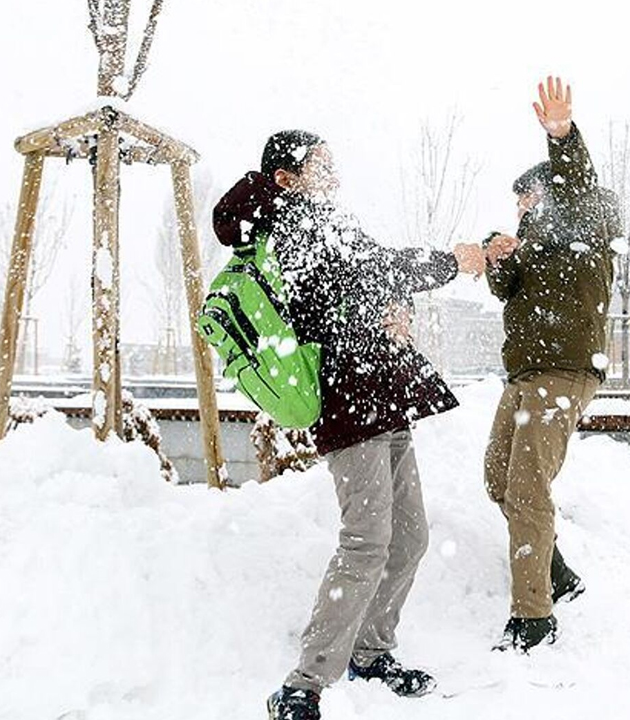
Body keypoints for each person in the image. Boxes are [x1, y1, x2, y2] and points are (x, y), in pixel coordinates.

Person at [212, 130, 486, 720]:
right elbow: (368, 273)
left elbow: (365, 284)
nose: (334, 172)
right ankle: (303, 685)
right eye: (321, 164)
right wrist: (451, 263)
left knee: (410, 538)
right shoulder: (290, 224)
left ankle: (371, 651)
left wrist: (395, 308)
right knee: (366, 542)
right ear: (288, 178)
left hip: (381, 392)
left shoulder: (325, 219)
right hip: (347, 402)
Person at [481, 76, 622, 652]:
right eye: (518, 201)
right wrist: (497, 256)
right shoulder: (532, 244)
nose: (522, 207)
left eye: (529, 197)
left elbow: (578, 184)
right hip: (525, 375)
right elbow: (506, 290)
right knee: (498, 478)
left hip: (564, 372)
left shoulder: (586, 221)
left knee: (527, 488)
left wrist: (561, 135)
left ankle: (533, 617)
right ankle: (556, 571)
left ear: (553, 192)